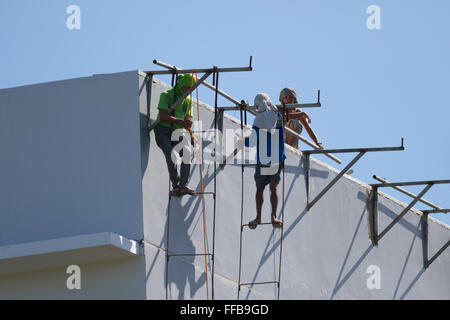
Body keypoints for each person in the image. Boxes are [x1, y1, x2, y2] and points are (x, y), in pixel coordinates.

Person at [244, 93, 286, 229]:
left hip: (263, 159)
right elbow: (282, 134)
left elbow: (251, 142)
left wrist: (241, 140)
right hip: (276, 158)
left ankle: (258, 217)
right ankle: (274, 216)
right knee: (274, 187)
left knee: (260, 189)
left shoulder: (259, 119)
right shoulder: (277, 116)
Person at [154, 73, 197, 197]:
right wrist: (181, 122)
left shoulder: (188, 100)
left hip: (177, 132)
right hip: (162, 130)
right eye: (186, 88)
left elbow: (187, 118)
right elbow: (163, 115)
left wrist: (189, 128)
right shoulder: (166, 95)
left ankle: (183, 186)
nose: (188, 91)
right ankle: (176, 186)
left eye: (191, 89)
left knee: (187, 153)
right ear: (181, 85)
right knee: (171, 155)